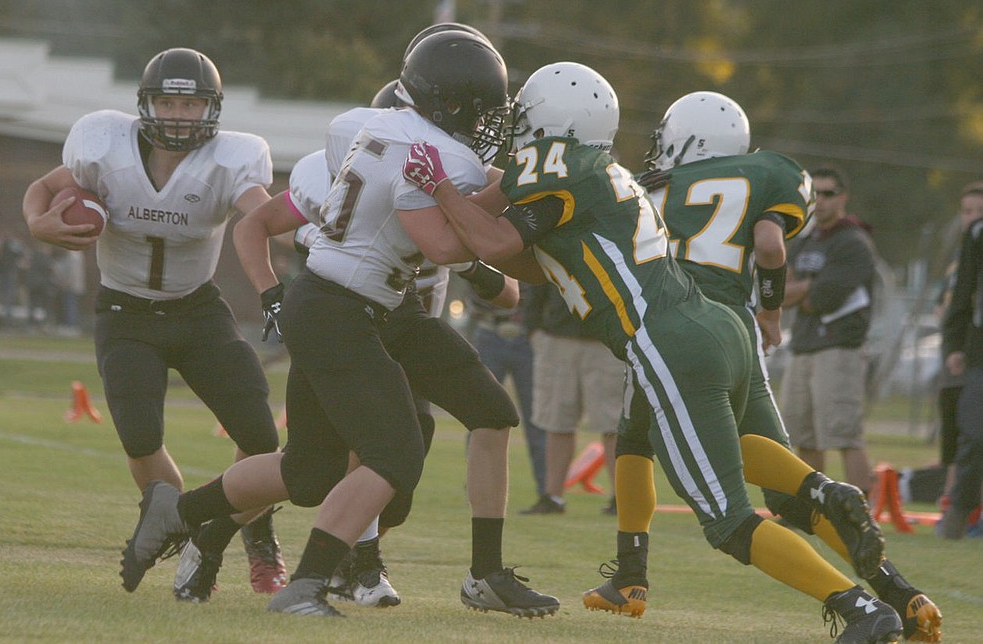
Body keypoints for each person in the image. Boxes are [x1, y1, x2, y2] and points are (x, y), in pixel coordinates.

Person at [402, 62, 903, 642]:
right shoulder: (601, 170)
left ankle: (861, 607)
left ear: (550, 120)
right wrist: (455, 202)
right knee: (728, 450)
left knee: (727, 520)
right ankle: (823, 497)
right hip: (713, 324)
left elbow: (491, 237)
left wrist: (437, 186)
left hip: (667, 339)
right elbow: (530, 261)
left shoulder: (554, 164)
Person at [117, 29, 559, 619]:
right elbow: (447, 245)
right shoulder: (443, 157)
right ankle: (309, 583)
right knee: (388, 454)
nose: (485, 123)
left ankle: (182, 513)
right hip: (342, 307)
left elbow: (462, 250)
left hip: (371, 307)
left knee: (326, 465)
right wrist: (507, 193)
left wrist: (486, 199)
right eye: (480, 109)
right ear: (447, 104)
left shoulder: (364, 127)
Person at [614, 91, 939, 641]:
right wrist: (768, 308)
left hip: (677, 332)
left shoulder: (655, 193)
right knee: (786, 491)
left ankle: (631, 575)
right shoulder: (763, 177)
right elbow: (769, 243)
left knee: (644, 446)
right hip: (740, 333)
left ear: (688, 141)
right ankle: (900, 592)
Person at [229, 73, 521, 611]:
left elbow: (505, 288)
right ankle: (330, 569)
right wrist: (272, 294)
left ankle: (349, 566)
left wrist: (516, 188)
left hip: (407, 328)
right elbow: (443, 241)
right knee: (350, 460)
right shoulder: (391, 169)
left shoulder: (441, 166)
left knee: (394, 469)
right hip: (348, 322)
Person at [22, 47, 288, 600]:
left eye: (190, 104)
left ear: (210, 109)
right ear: (145, 104)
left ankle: (241, 532)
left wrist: (315, 227)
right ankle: (171, 517)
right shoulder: (105, 148)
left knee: (261, 438)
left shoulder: (228, 159)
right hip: (124, 312)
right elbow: (43, 190)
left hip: (197, 310)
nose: (177, 115)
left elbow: (262, 214)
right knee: (140, 437)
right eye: (167, 101)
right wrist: (38, 225)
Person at [780, 166, 878, 494]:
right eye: (814, 194)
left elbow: (821, 299)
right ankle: (811, 509)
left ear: (843, 197)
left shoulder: (853, 241)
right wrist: (804, 289)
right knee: (803, 435)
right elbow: (782, 293)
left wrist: (804, 290)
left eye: (828, 194)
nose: (820, 201)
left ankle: (860, 515)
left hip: (839, 347)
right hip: (804, 346)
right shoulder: (806, 241)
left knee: (843, 434)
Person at [520, 282, 621, 516]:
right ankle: (552, 497)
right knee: (557, 422)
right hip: (558, 338)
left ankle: (622, 497)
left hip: (607, 341)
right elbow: (539, 280)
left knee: (613, 424)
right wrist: (533, 329)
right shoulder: (556, 243)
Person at [468, 281, 548, 512]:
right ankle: (476, 486)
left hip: (526, 334)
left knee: (536, 419)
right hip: (490, 329)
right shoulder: (485, 249)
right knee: (478, 414)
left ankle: (547, 492)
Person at [938, 178, 983, 540]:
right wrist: (955, 345)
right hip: (979, 350)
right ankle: (958, 511)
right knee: (973, 432)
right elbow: (962, 292)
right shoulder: (976, 236)